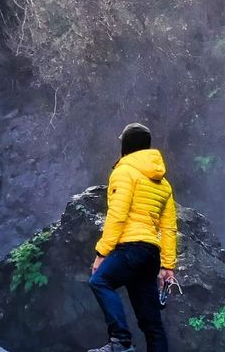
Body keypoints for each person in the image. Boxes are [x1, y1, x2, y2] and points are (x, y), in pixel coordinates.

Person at [88, 123, 177, 352]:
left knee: (100, 281)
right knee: (151, 324)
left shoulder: (123, 172)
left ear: (126, 145)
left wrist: (101, 253)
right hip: (150, 255)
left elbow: (117, 214)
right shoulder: (163, 183)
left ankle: (120, 340)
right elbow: (169, 228)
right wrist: (168, 266)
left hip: (130, 248)